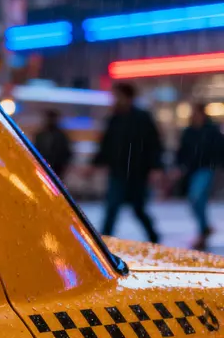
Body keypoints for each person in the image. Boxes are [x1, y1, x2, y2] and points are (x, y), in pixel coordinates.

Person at [92, 83, 164, 243]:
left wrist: (156, 167)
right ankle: (104, 241)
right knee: (112, 207)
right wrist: (95, 163)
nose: (115, 100)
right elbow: (106, 145)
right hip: (118, 171)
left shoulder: (142, 118)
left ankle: (153, 237)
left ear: (127, 97)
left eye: (117, 96)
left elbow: (153, 144)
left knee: (137, 208)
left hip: (138, 172)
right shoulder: (114, 118)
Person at [173, 104, 223, 251]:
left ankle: (204, 229)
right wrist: (180, 165)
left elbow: (219, 149)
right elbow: (182, 150)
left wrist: (216, 164)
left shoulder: (211, 130)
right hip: (192, 170)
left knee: (196, 196)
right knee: (196, 201)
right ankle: (204, 228)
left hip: (206, 168)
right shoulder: (189, 131)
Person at [34, 109, 73, 178]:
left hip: (56, 167)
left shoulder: (61, 135)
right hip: (43, 166)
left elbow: (66, 152)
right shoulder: (41, 135)